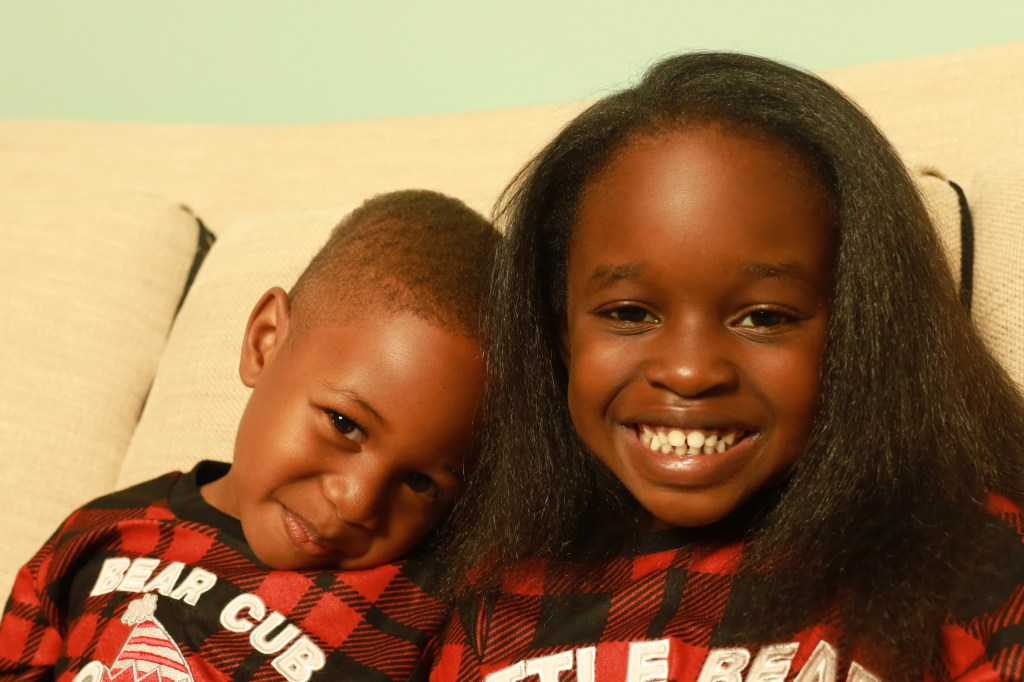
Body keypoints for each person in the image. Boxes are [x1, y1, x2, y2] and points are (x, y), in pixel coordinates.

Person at [424, 53, 1024, 681]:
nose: (689, 372)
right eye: (629, 313)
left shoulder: (967, 557)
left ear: (861, 331)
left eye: (763, 318)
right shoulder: (490, 591)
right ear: (562, 334)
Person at [0, 189, 499, 681]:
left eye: (420, 483)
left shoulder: (430, 605)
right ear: (264, 342)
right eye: (344, 424)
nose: (356, 503)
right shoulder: (101, 529)